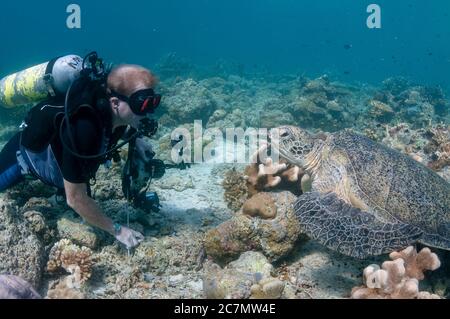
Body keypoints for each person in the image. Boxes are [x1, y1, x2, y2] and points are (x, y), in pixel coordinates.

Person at [0, 62, 163, 249]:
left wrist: (138, 140)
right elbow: (76, 199)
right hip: (23, 157)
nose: (148, 112)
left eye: (153, 102)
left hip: (63, 162)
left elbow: (122, 125)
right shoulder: (85, 130)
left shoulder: (114, 114)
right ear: (115, 103)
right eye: (141, 104)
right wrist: (117, 230)